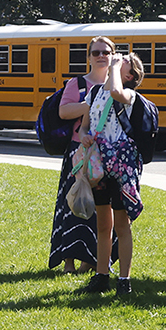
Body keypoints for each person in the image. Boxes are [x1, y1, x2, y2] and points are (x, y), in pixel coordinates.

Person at [71, 51, 152, 298]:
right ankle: (101, 275)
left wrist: (115, 67)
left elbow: (117, 93)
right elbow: (85, 124)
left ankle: (124, 280)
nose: (117, 58)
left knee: (122, 224)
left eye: (123, 60)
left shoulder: (129, 95)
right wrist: (84, 135)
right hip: (98, 164)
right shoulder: (94, 93)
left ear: (129, 75)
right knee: (103, 223)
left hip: (121, 168)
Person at [47, 37, 112, 277]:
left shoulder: (116, 85)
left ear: (113, 55)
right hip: (79, 153)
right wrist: (91, 104)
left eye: (106, 52)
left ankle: (92, 260)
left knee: (100, 209)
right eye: (96, 52)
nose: (101, 56)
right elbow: (64, 111)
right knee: (73, 203)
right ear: (88, 57)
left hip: (106, 154)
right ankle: (69, 262)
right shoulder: (77, 84)